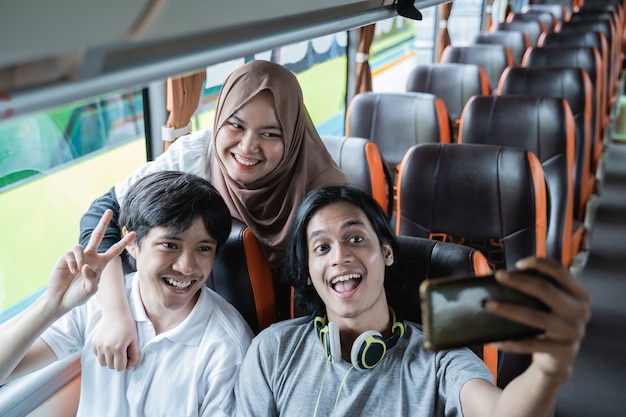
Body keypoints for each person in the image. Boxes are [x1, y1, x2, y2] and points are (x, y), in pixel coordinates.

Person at [223, 185, 591, 417]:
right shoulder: (273, 349)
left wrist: (547, 371)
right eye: (322, 247)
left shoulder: (440, 359)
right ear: (307, 272)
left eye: (355, 239)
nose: (339, 257)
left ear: (386, 253)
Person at [79, 59, 347, 370]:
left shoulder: (324, 194)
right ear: (219, 120)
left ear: (292, 136)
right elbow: (102, 216)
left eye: (270, 134)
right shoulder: (193, 156)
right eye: (235, 125)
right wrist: (115, 313)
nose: (248, 147)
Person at [0, 171, 254, 416]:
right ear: (131, 243)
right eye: (170, 245)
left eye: (203, 249)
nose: (186, 267)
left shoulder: (227, 346)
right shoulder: (97, 302)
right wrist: (52, 305)